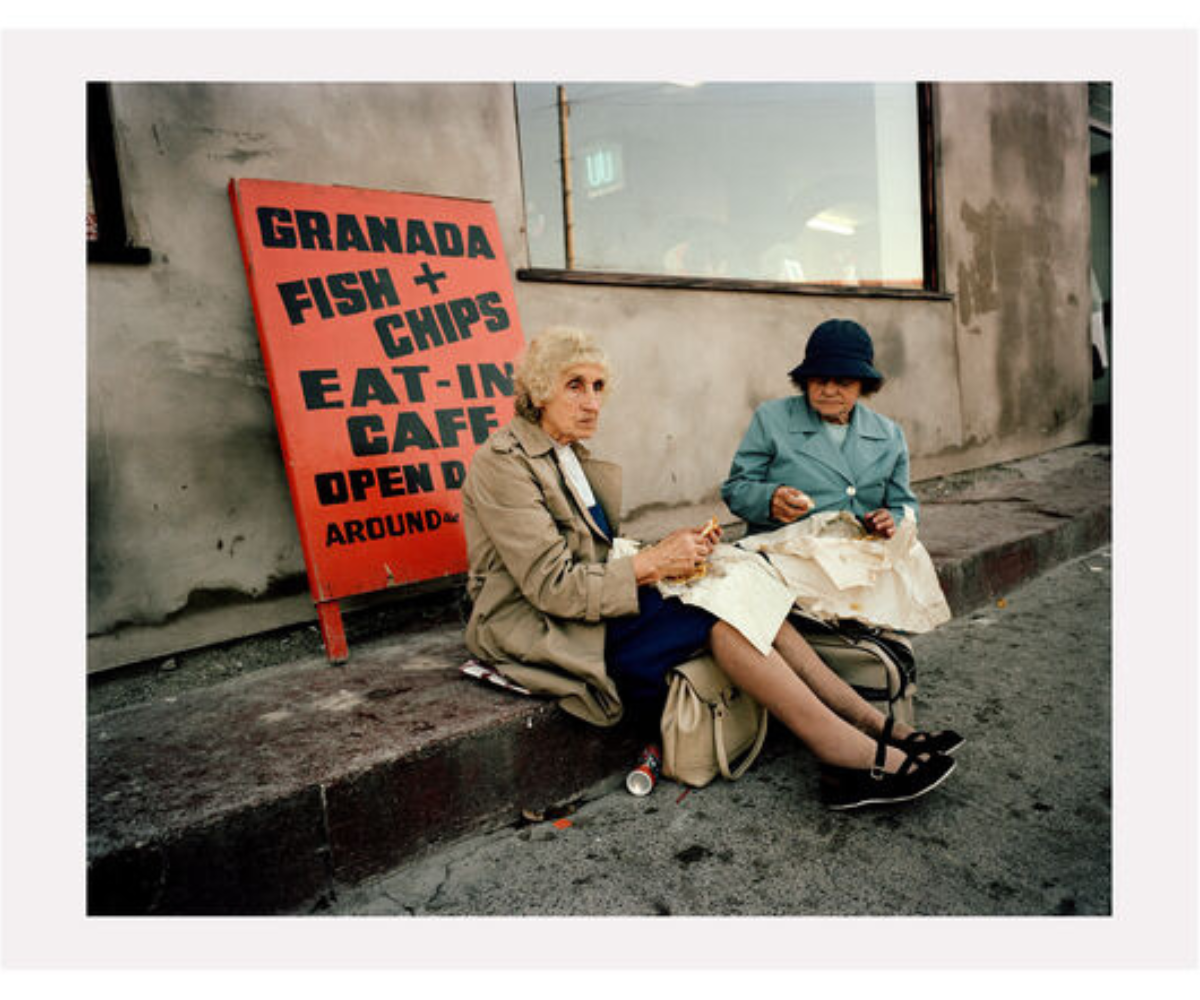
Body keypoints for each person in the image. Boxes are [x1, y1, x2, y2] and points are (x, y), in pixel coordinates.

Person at [461, 326, 957, 810]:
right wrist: (654, 562)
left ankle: (877, 727)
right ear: (540, 390)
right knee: (718, 614)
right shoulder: (504, 463)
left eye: (597, 386)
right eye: (575, 386)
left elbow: (595, 556)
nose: (592, 401)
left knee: (742, 580)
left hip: (589, 606)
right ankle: (844, 754)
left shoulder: (566, 454)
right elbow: (553, 588)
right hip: (538, 624)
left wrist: (675, 551)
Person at [721, 317, 964, 742]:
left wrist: (894, 520)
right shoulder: (773, 419)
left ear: (863, 386)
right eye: (819, 379)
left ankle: (871, 698)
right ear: (805, 379)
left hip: (858, 556)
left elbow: (904, 503)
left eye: (843, 382)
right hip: (788, 550)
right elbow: (737, 489)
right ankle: (851, 722)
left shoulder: (888, 435)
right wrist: (770, 499)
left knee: (897, 584)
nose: (829, 390)